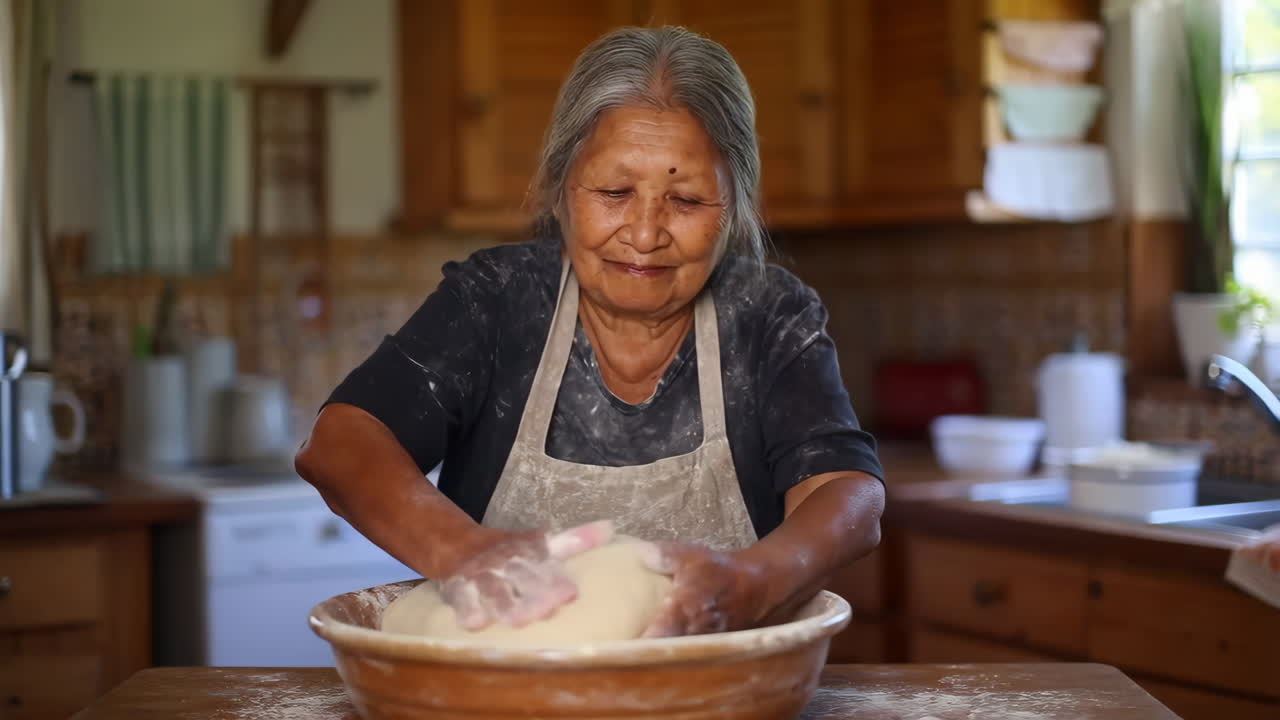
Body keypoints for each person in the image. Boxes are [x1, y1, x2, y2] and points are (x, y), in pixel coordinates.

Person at [295, 26, 884, 639]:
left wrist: (756, 582)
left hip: (717, 692)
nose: (646, 232)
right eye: (614, 192)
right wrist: (463, 552)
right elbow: (341, 444)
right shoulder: (498, 302)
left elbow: (847, 494)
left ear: (733, 209)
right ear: (558, 190)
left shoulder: (768, 314)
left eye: (685, 201)